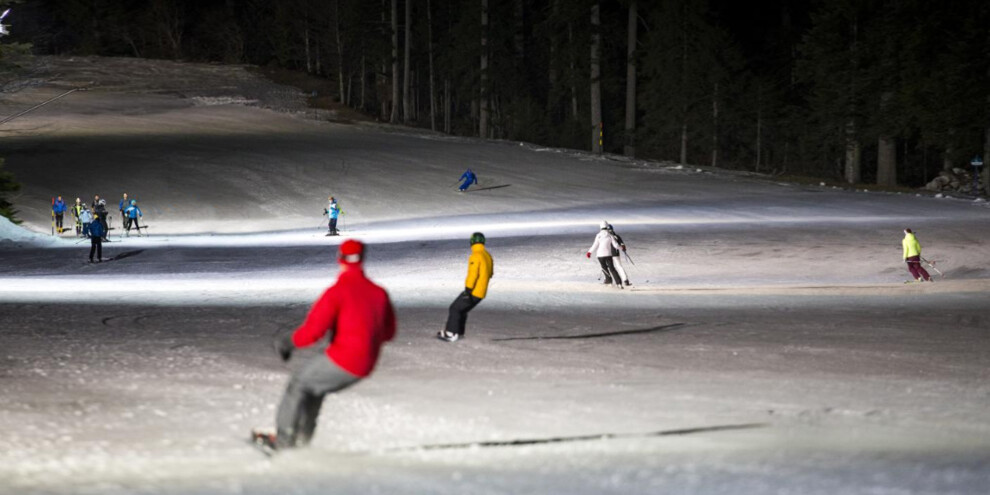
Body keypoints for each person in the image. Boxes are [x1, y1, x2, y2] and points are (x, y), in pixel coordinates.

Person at [255, 239, 396, 451]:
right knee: (313, 390)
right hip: (366, 364)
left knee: (298, 385)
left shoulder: (337, 291)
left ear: (340, 258)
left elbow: (313, 332)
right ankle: (302, 443)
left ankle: (283, 444)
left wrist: (287, 342)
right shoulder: (378, 293)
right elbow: (389, 332)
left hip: (344, 358)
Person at [438, 232, 494, 342]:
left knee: (455, 308)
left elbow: (472, 274)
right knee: (461, 310)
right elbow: (490, 273)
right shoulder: (487, 255)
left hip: (473, 290)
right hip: (481, 291)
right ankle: (459, 333)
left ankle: (451, 333)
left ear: (472, 241)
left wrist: (468, 290)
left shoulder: (476, 255)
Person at [586, 220, 623, 289]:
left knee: (604, 268)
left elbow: (595, 245)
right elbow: (616, 245)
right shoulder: (610, 235)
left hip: (600, 255)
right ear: (607, 226)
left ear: (600, 227)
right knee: (612, 269)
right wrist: (621, 247)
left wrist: (589, 252)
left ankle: (608, 281)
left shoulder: (598, 235)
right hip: (608, 255)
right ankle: (619, 283)